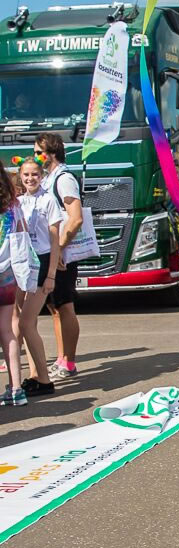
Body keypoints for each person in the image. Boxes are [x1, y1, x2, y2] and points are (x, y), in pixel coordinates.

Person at [34, 133, 83, 380]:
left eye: (38, 151)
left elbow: (76, 218)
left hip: (63, 253)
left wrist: (60, 248)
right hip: (53, 253)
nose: (35, 156)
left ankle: (70, 363)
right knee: (55, 307)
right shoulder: (50, 178)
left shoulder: (64, 179)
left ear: (51, 153)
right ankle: (62, 359)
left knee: (65, 305)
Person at [15, 159, 60, 398]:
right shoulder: (19, 202)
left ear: (41, 176)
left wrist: (51, 274)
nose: (30, 178)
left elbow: (54, 241)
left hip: (42, 264)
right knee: (27, 324)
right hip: (23, 262)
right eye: (26, 175)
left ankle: (45, 380)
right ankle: (34, 374)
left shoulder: (49, 200)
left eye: (34, 174)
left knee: (25, 323)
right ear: (20, 177)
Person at [0, 161, 39, 407]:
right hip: (6, 275)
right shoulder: (12, 205)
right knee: (8, 332)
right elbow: (23, 233)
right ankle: (17, 389)